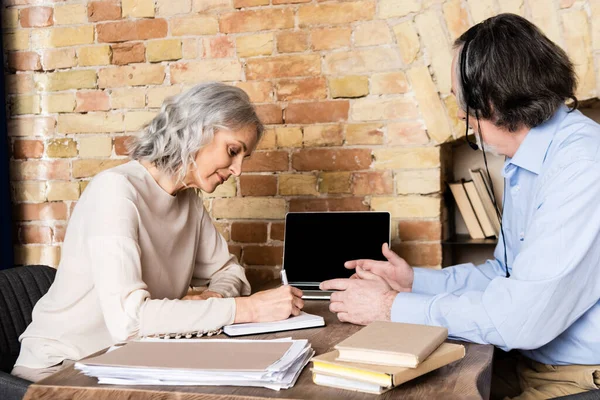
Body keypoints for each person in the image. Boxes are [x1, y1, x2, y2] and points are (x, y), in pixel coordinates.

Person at [321, 13, 600, 400]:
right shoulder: (529, 158)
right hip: (528, 365)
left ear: (490, 98)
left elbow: (519, 319)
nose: (459, 115)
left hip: (576, 379)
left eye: (460, 101)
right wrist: (413, 283)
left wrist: (391, 306)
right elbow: (504, 277)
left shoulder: (583, 165)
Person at [12, 82, 304, 382]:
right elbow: (130, 321)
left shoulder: (188, 201)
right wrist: (248, 310)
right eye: (233, 151)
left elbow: (231, 273)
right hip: (61, 369)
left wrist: (214, 297)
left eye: (244, 158)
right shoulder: (116, 191)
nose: (238, 170)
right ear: (196, 131)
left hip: (127, 362)